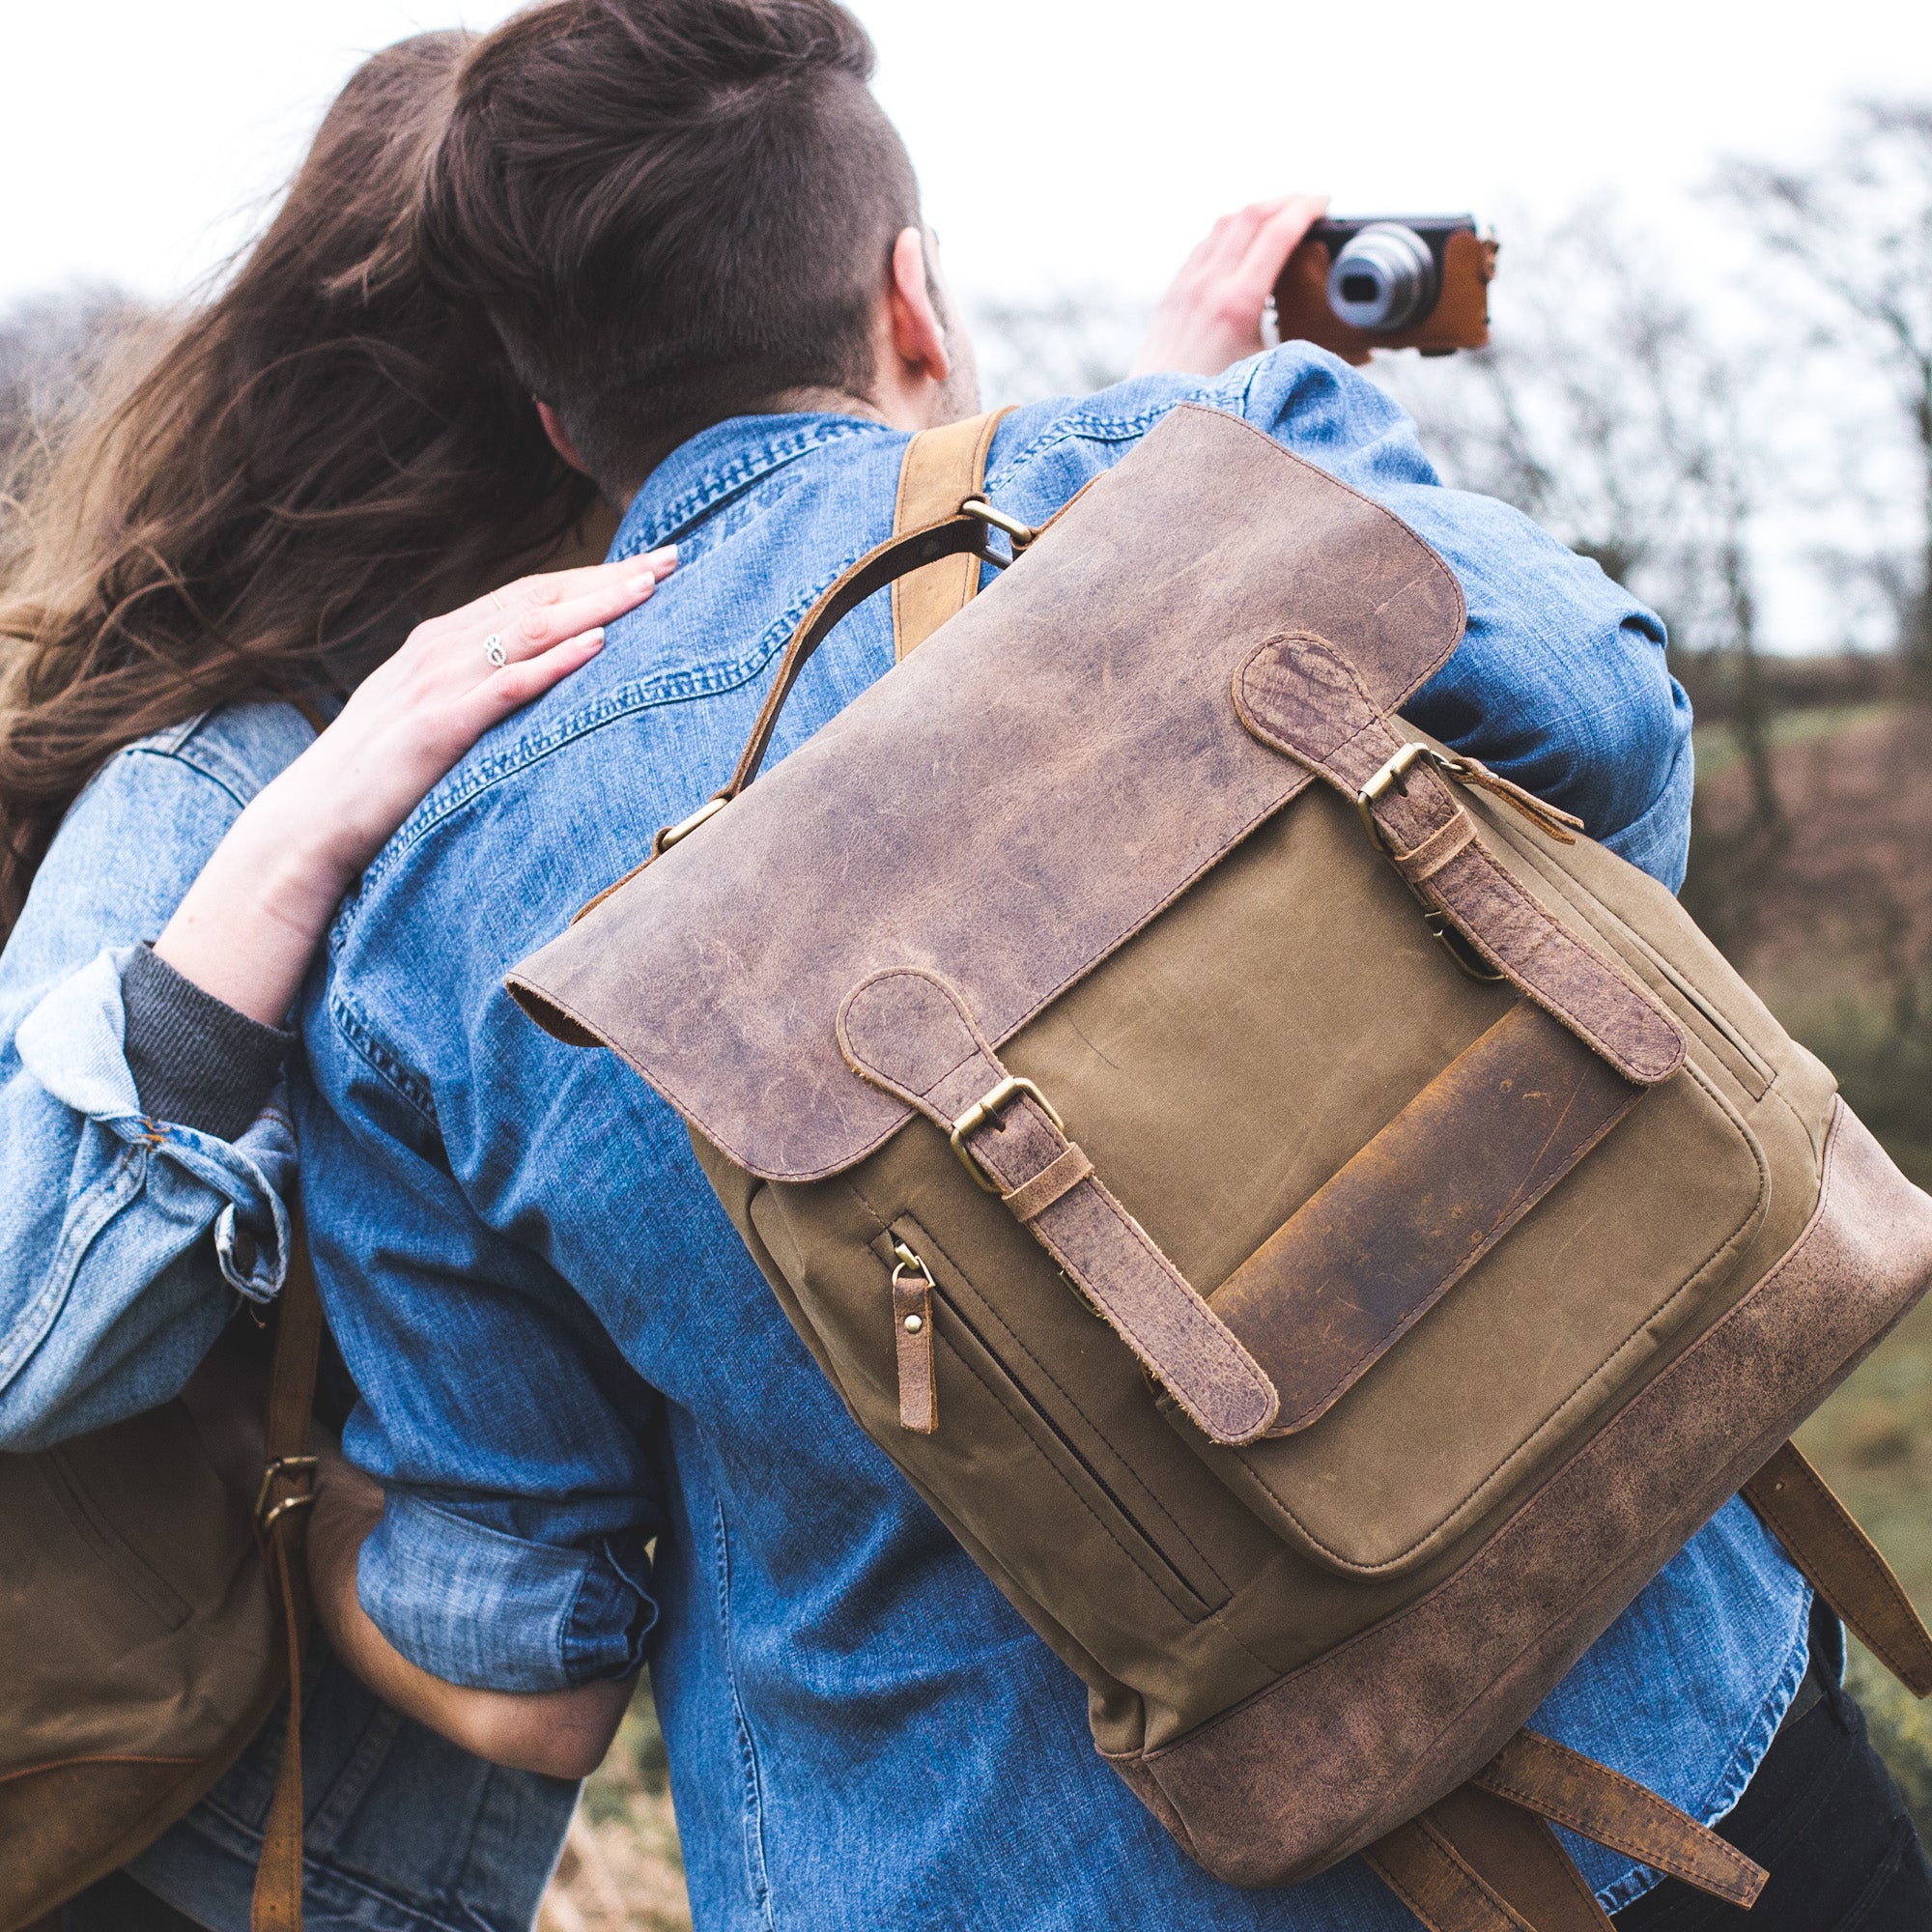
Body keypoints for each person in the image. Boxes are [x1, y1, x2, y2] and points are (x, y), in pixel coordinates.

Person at [295, 2, 1932, 1927]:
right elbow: (1611, 729)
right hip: (1661, 1741)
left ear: (560, 420)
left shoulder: (417, 920)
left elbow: (530, 1638)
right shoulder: (1198, 467)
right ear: (910, 296)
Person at [0, 32, 674, 1931]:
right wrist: (286, 850)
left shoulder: (582, 757)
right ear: (546, 411)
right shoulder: (228, 780)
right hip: (165, 1847)